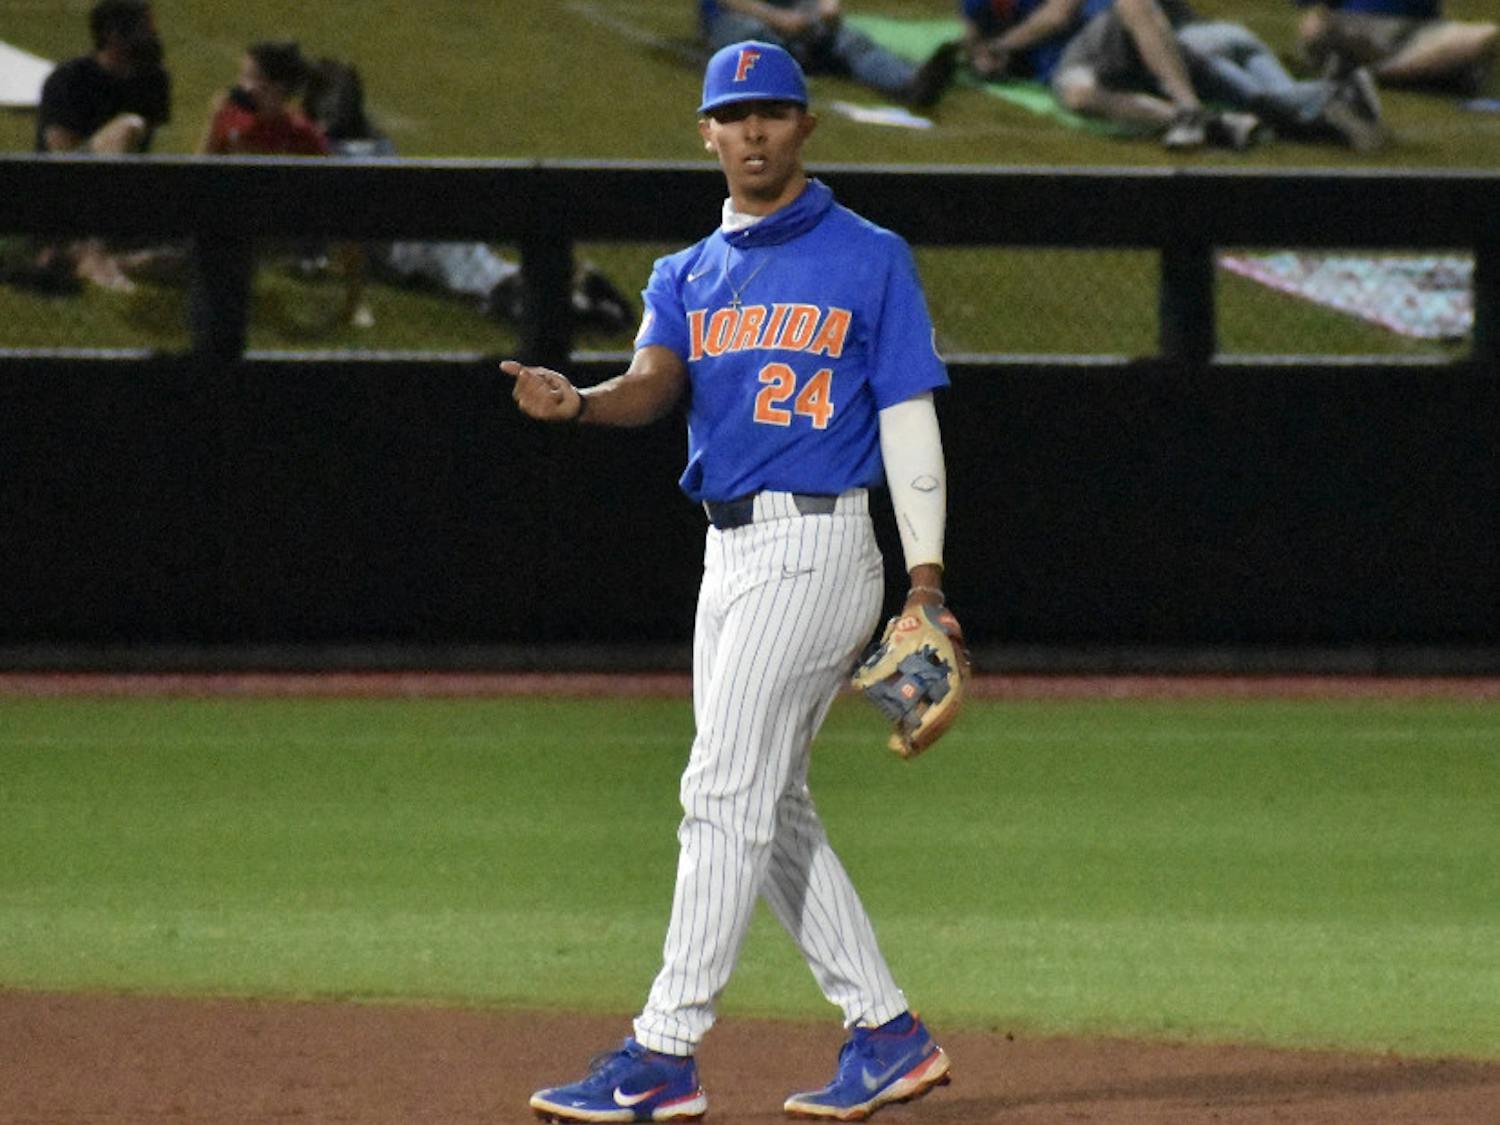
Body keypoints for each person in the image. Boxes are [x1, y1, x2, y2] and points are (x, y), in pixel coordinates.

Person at [507, 40, 957, 1124]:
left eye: (773, 111)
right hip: (728, 555)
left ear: (806, 127)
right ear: (706, 133)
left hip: (819, 545)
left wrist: (927, 581)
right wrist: (581, 403)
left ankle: (664, 1050)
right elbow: (655, 384)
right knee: (770, 803)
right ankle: (888, 1034)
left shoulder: (869, 256)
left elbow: (908, 420)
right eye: (733, 114)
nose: (753, 131)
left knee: (720, 791)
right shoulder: (685, 275)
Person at [301, 59, 634, 332]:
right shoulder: (373, 139)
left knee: (494, 288)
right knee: (489, 270)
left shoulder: (336, 155)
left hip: (410, 242)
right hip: (426, 213)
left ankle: (594, 306)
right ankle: (587, 287)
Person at [958, 0, 1249, 149]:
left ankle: (1189, 105)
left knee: (1133, 3)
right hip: (1072, 62)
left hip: (1107, 36)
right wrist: (981, 59)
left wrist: (1002, 45)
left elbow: (1059, 15)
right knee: (1078, 95)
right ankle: (1202, 122)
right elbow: (972, 39)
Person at [32, 0, 170, 291]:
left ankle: (99, 260)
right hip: (68, 190)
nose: (152, 36)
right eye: (144, 28)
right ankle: (92, 249)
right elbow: (62, 159)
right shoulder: (69, 78)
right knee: (128, 127)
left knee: (193, 248)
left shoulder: (154, 80)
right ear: (113, 34)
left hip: (121, 194)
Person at [1175, 15, 1386, 150]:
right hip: (1228, 32)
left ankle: (1339, 86)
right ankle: (1344, 90)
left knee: (1269, 104)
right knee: (1286, 93)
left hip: (1195, 49)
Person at [701, 0, 961, 109]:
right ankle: (789, 70)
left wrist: (828, 7)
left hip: (793, 14)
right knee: (752, 38)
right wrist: (779, 19)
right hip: (738, 17)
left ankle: (909, 83)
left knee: (852, 40)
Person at [1293, 0, 1498, 95]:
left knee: (1481, 37)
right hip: (1366, 30)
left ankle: (1365, 71)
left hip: (1414, 33)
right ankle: (1382, 72)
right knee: (1483, 36)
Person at [197, 41, 328, 158]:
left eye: (251, 78)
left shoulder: (301, 134)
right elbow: (201, 171)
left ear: (278, 88)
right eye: (243, 77)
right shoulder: (228, 117)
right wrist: (214, 119)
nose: (243, 86)